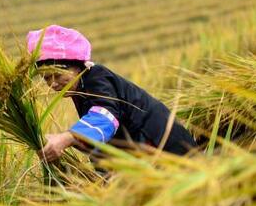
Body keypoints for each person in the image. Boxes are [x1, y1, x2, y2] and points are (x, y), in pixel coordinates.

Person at [28, 25, 197, 163]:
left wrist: (66, 138)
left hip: (166, 147)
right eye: (46, 79)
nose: (52, 84)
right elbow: (106, 140)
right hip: (144, 149)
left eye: (57, 76)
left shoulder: (97, 78)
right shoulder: (80, 89)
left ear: (77, 67)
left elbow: (105, 117)